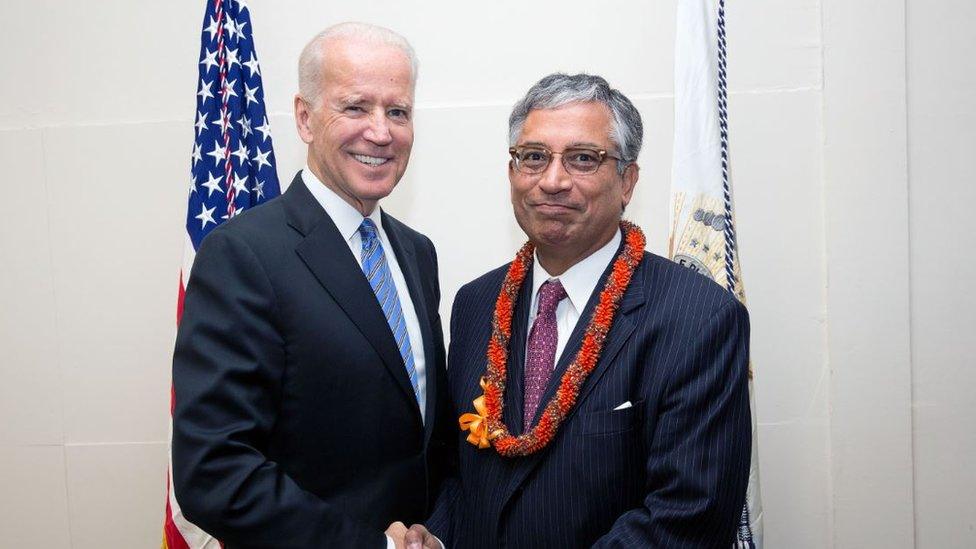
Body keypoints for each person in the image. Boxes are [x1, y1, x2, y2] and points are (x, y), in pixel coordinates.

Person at [416, 73, 752, 548]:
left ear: (627, 180)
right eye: (533, 157)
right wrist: (434, 537)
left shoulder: (699, 317)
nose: (552, 181)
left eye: (582, 159)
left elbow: (689, 517)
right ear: (512, 173)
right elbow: (459, 476)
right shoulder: (475, 304)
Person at [172, 22, 453, 548]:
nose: (380, 131)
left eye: (398, 111)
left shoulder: (417, 252)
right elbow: (214, 473)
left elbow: (426, 438)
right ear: (305, 117)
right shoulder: (243, 255)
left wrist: (437, 528)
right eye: (355, 107)